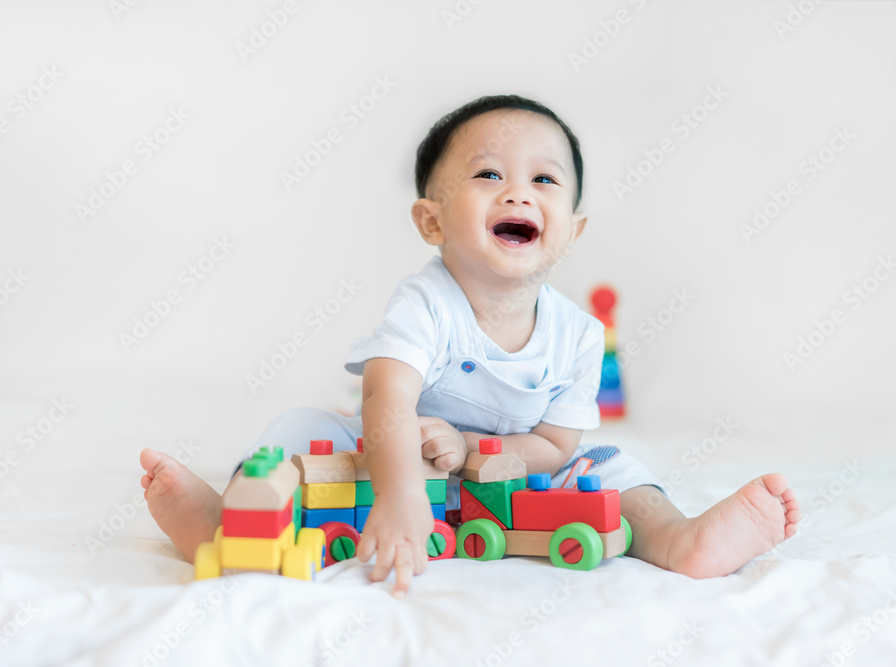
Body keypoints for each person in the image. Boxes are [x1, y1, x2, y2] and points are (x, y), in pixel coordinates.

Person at [140, 94, 801, 597]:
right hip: (392, 451)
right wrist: (400, 494)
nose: (518, 190)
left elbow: (557, 445)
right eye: (488, 174)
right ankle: (231, 522)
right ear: (432, 221)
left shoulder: (577, 334)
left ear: (571, 230)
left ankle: (680, 537)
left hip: (516, 467)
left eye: (544, 180)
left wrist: (487, 453)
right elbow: (386, 392)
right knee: (302, 429)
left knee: (611, 467)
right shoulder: (426, 302)